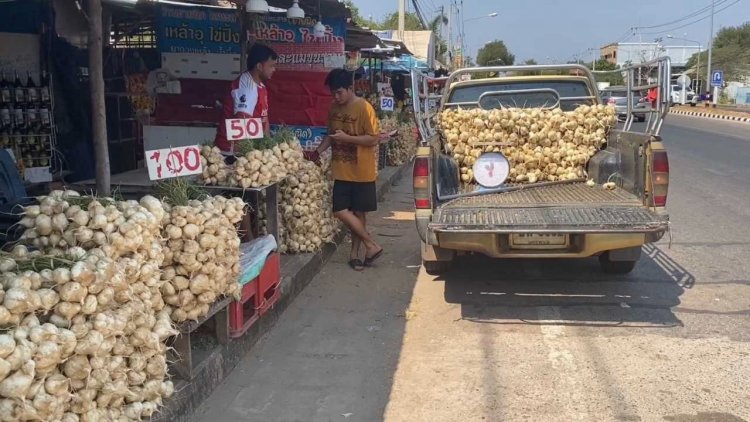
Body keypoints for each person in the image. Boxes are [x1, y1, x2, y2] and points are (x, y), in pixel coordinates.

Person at [309, 69, 384, 271]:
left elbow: (373, 139)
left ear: (350, 88)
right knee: (340, 211)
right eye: (333, 93)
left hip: (362, 171)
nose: (336, 96)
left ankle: (356, 255)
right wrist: (317, 153)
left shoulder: (364, 108)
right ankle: (371, 245)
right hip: (341, 170)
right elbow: (330, 135)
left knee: (359, 214)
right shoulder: (333, 107)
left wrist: (347, 139)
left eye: (340, 92)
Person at [214, 43, 277, 161]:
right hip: (233, 152)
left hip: (250, 150)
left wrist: (268, 146)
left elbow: (264, 118)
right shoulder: (247, 87)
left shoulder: (261, 87)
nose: (274, 69)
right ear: (259, 66)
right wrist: (251, 155)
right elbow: (242, 122)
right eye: (271, 66)